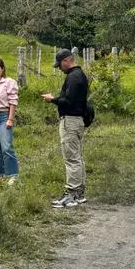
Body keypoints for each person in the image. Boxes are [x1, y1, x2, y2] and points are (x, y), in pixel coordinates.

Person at [41, 49, 88, 208]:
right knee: (77, 157)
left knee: (71, 158)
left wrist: (52, 99)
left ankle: (71, 194)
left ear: (67, 60)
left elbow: (68, 102)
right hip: (76, 121)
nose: (60, 68)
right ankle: (79, 193)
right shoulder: (79, 74)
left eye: (60, 65)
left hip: (70, 121)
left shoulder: (74, 77)